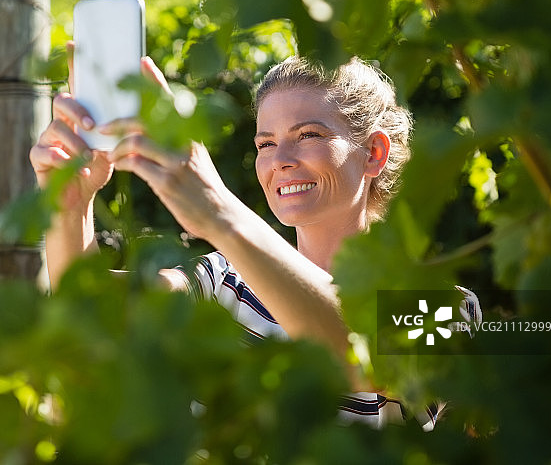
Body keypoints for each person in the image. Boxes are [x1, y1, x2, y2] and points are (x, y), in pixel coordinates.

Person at [30, 44, 479, 430]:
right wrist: (69, 207)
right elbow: (95, 320)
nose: (280, 159)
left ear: (374, 153)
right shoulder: (224, 281)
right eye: (266, 143)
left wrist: (221, 213)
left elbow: (362, 354)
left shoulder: (445, 308)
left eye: (308, 134)